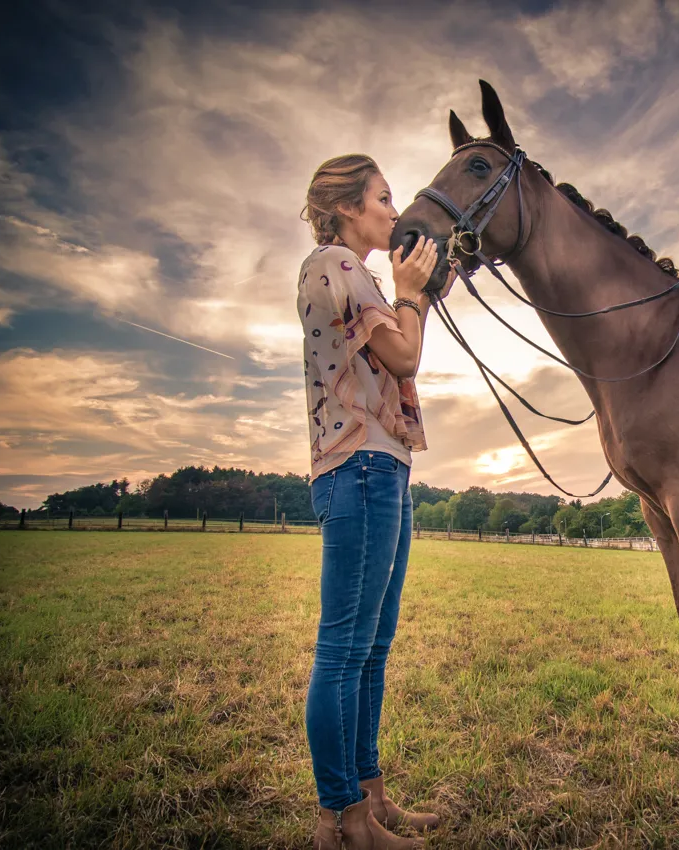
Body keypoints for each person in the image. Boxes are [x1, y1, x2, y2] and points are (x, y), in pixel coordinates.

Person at [298, 154, 451, 849]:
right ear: (350, 208)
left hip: (381, 468)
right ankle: (342, 821)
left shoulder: (350, 272)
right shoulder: (335, 262)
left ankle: (370, 795)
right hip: (359, 468)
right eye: (384, 199)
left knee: (372, 648)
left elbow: (396, 351)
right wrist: (410, 290)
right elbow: (406, 355)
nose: (395, 211)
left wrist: (407, 293)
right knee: (344, 649)